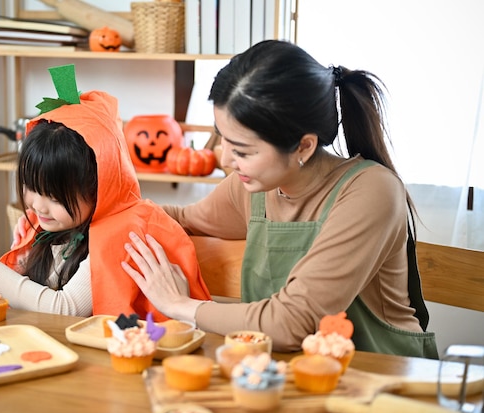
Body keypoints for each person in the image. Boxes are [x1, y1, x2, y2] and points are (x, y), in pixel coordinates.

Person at [121, 40, 438, 358]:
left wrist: (180, 306)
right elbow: (183, 219)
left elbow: (290, 323)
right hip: (285, 372)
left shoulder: (371, 192)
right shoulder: (253, 187)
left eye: (242, 150)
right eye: (223, 139)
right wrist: (100, 207)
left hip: (381, 378)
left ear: (304, 146)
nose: (226, 159)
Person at [0, 67, 211, 321]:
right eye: (32, 188)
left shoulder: (122, 234)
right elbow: (17, 293)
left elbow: (65, 309)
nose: (38, 206)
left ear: (100, 186)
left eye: (54, 197)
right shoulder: (41, 227)